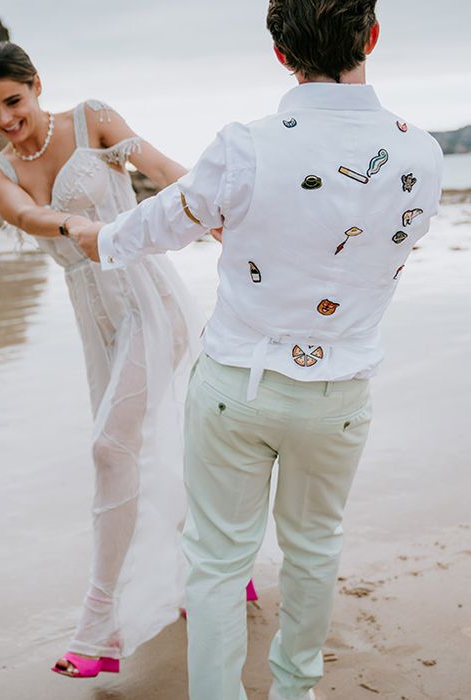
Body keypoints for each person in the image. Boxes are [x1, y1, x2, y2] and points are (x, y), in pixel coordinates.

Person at [70, 1, 444, 698]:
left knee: (215, 561)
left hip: (235, 387)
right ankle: (294, 690)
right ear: (373, 34)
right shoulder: (421, 153)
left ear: (279, 51)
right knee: (314, 551)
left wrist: (92, 235)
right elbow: (395, 242)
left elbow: (157, 225)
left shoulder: (245, 144)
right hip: (339, 394)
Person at [0, 42, 257, 679]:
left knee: (109, 450)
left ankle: (97, 629)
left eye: (13, 101)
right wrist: (74, 226)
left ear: (36, 85)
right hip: (94, 323)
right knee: (140, 449)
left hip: (151, 301)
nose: (5, 119)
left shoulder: (91, 118)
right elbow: (26, 215)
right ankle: (223, 564)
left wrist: (221, 217)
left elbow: (160, 168)